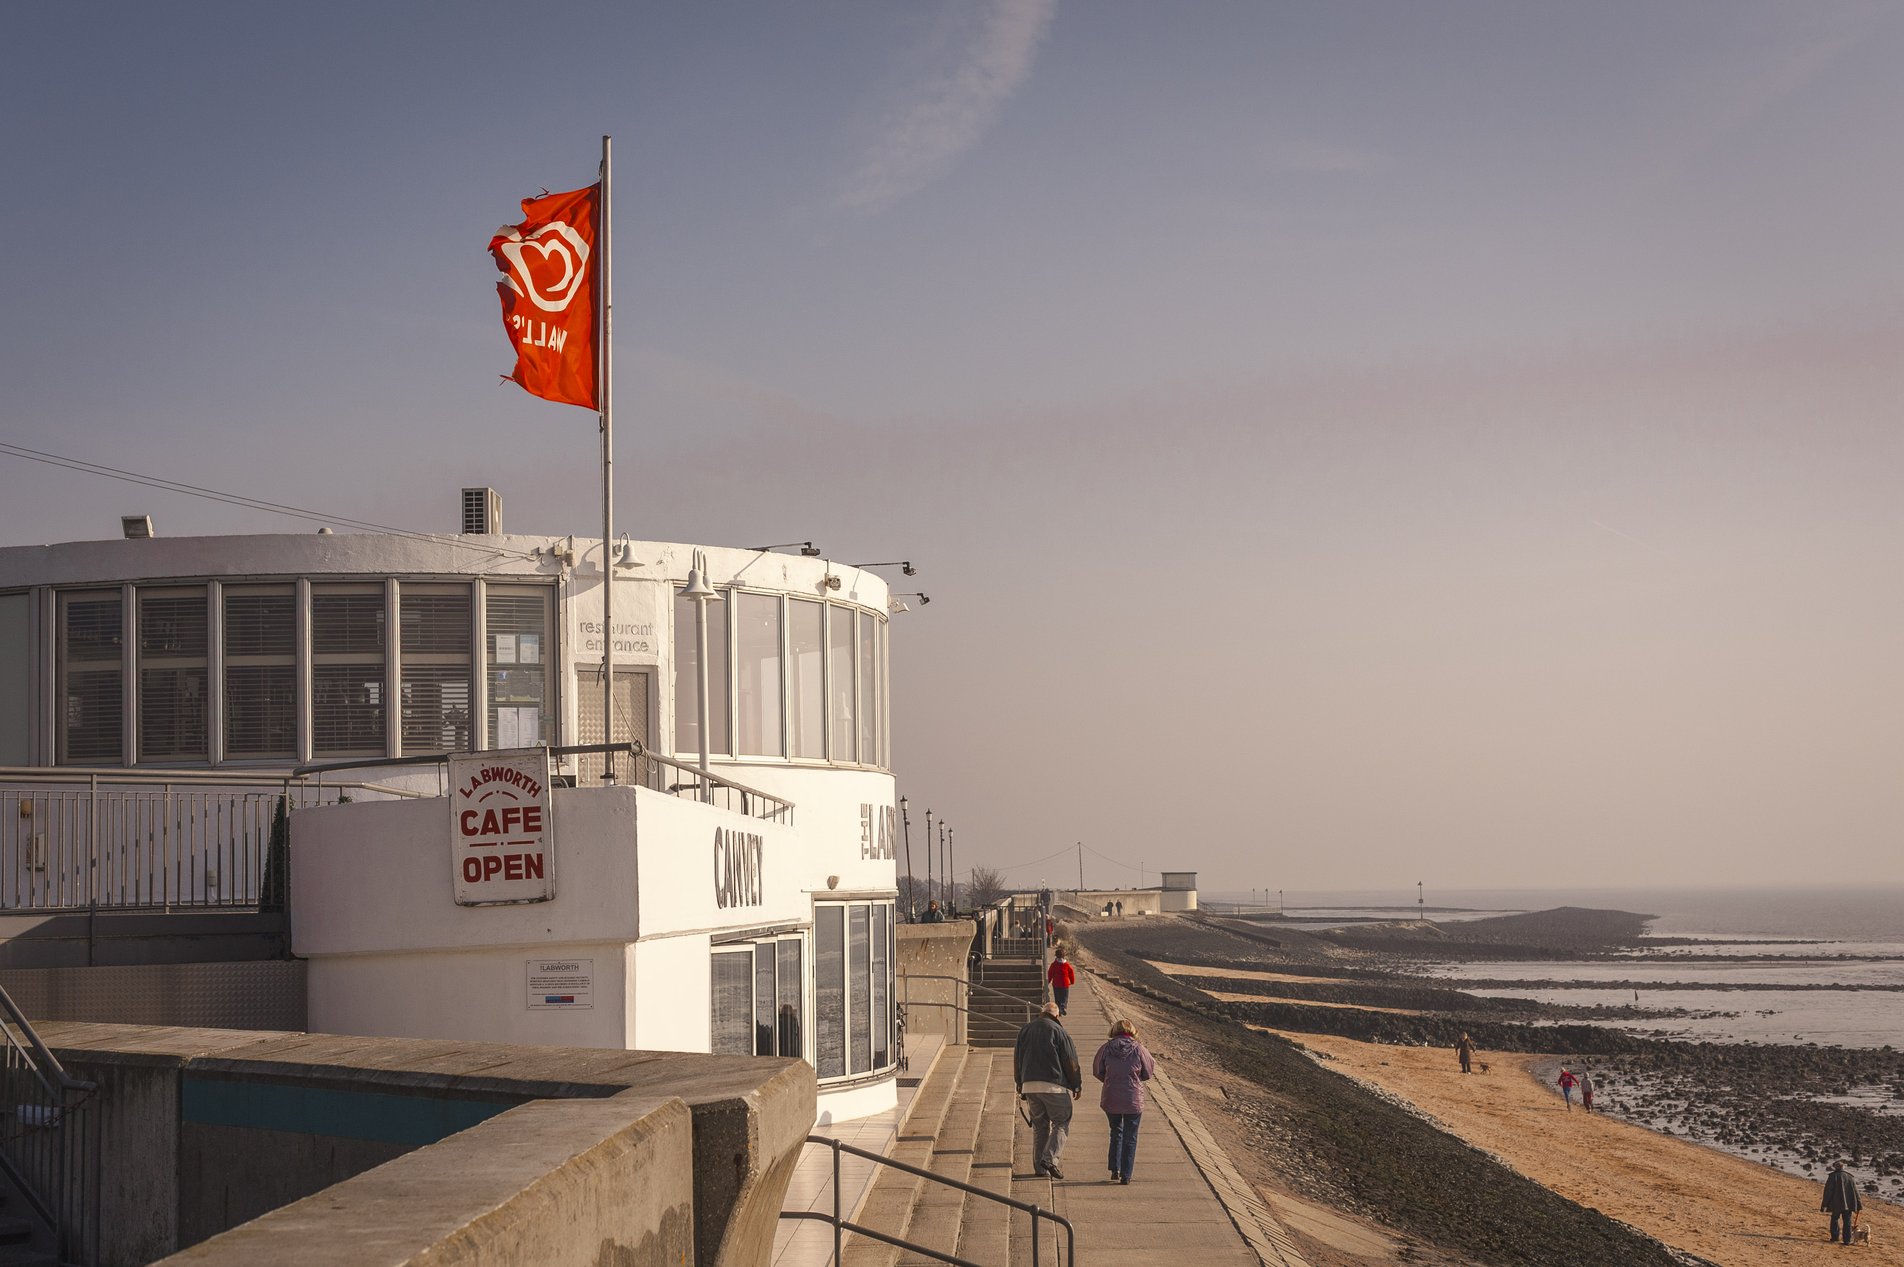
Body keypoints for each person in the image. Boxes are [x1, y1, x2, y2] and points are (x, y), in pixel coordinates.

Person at [1014, 1002, 1081, 1179]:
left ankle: (1039, 1168)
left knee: (1039, 1126)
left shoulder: (1025, 1030)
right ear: (1056, 1016)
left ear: (1042, 1013)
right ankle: (1050, 1159)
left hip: (1030, 1085)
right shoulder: (1059, 1031)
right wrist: (1076, 1084)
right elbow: (1070, 1061)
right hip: (1054, 1086)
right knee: (1061, 1122)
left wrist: (1020, 1083)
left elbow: (1018, 1058)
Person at [1092, 1018, 1156, 1184]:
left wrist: (1109, 1080)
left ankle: (1115, 1168)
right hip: (1132, 1098)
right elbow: (1148, 1072)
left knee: (1116, 1132)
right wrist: (1135, 1079)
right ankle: (1126, 1175)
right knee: (1131, 1136)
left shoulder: (1106, 1048)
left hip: (1111, 1096)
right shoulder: (1139, 1049)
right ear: (1132, 1032)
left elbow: (1097, 1070)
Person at [1822, 1160, 1862, 1245]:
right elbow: (1856, 1191)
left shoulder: (1832, 1176)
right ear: (1843, 1167)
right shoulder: (1850, 1177)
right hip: (1848, 1204)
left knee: (1835, 1219)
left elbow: (1828, 1192)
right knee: (1847, 1221)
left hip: (1836, 1204)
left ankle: (1835, 1237)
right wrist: (1859, 1204)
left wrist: (1824, 1204)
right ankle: (1847, 1240)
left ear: (1836, 1167)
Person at [1047, 949, 1077, 1016]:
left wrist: (1048, 982)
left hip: (1056, 984)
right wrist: (1072, 981)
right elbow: (1071, 973)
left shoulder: (1053, 965)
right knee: (1064, 997)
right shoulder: (1066, 964)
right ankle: (1062, 1007)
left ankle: (1058, 1010)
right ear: (1064, 956)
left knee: (1057, 998)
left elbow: (1050, 974)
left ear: (1056, 956)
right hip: (1065, 984)